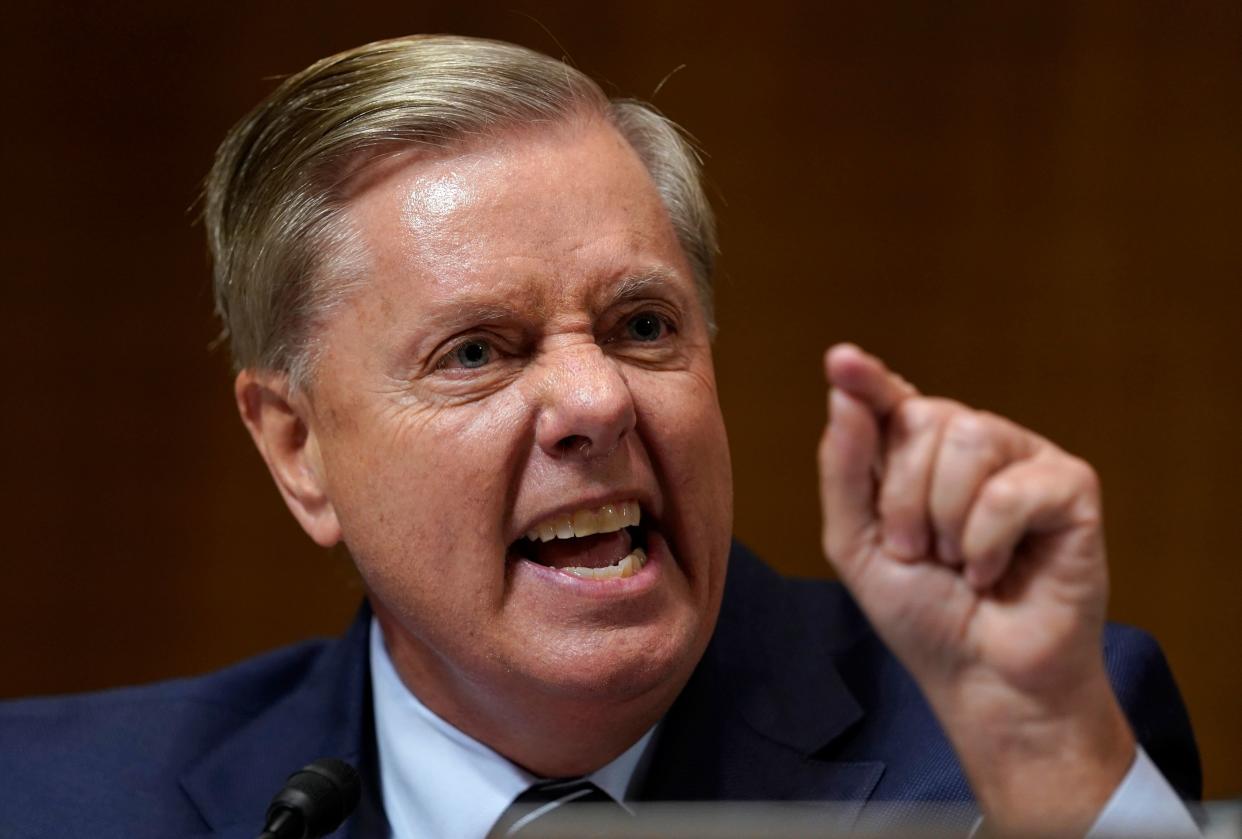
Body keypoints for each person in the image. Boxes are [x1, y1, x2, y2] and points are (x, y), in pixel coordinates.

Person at [0, 35, 1200, 838]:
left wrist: (1048, 756)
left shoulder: (1004, 750)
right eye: (478, 350)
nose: (598, 401)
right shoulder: (52, 797)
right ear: (297, 448)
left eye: (641, 325)